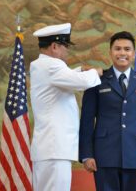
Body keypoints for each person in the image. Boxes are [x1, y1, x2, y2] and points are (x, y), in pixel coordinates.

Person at [79, 31, 136, 191]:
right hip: (104, 155)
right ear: (110, 52)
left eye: (127, 49)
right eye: (117, 49)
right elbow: (87, 120)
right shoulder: (96, 79)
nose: (122, 53)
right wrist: (87, 154)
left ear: (133, 53)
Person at [30, 23, 103, 191]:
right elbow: (81, 82)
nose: (67, 51)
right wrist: (97, 71)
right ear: (55, 46)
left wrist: (80, 69)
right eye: (65, 46)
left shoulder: (43, 66)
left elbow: (65, 78)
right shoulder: (51, 66)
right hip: (54, 149)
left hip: (50, 149)